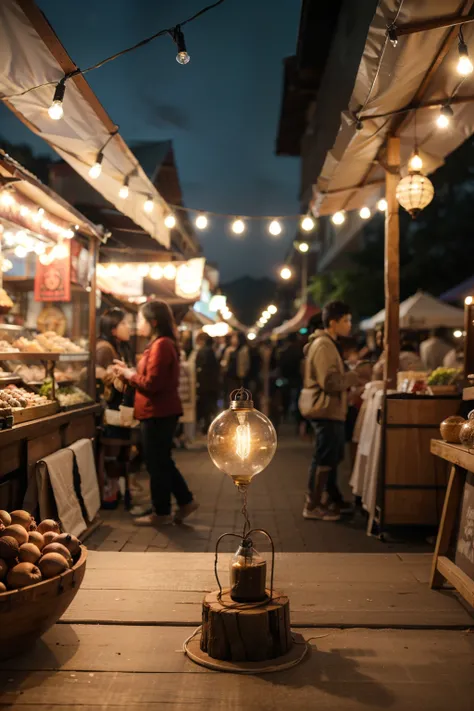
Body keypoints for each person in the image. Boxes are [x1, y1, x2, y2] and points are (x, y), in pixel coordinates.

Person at [113, 300, 198, 527]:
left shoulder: (162, 345)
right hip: (158, 411)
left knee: (157, 463)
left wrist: (130, 374)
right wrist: (130, 371)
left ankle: (162, 512)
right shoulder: (160, 344)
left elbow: (152, 383)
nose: (137, 323)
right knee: (161, 461)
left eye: (141, 319)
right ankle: (181, 501)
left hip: (158, 412)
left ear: (153, 322)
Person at [300, 301, 360, 521]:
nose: (349, 325)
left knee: (330, 455)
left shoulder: (327, 343)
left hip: (330, 409)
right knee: (324, 456)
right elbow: (330, 381)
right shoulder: (324, 345)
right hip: (325, 408)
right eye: (346, 321)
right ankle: (313, 504)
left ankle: (326, 500)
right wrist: (353, 376)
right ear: (333, 323)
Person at [96, 308, 134, 509]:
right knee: (113, 451)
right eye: (124, 324)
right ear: (112, 329)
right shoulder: (105, 348)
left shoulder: (117, 347)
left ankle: (115, 490)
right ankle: (111, 493)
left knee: (120, 452)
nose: (128, 327)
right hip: (110, 410)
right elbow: (96, 376)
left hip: (117, 409)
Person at [194, 331, 220, 434]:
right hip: (211, 384)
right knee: (208, 407)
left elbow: (202, 368)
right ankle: (208, 425)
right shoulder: (211, 351)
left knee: (206, 406)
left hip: (205, 384)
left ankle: (207, 427)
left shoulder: (204, 351)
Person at [221, 332, 250, 397]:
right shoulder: (228, 349)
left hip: (240, 375)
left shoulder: (244, 349)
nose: (233, 339)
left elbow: (247, 364)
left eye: (235, 337)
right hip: (230, 375)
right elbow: (225, 361)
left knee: (240, 394)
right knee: (232, 393)